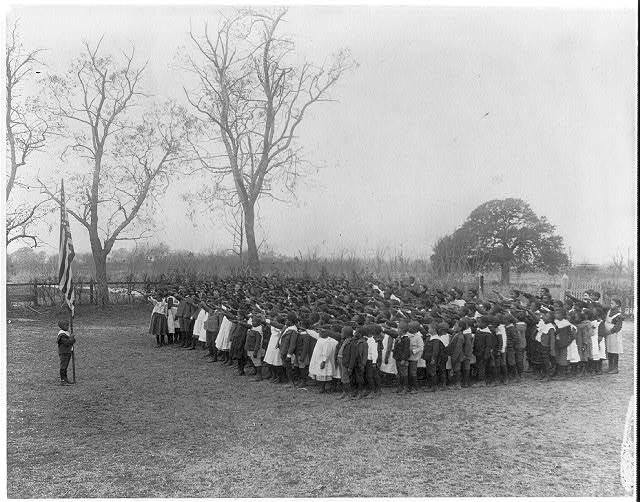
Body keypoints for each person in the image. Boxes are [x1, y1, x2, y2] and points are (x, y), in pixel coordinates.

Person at [604, 298, 624, 374]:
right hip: (608, 335)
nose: (610, 305)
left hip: (614, 335)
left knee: (615, 351)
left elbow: (618, 326)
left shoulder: (619, 315)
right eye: (610, 303)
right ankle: (610, 367)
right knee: (609, 350)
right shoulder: (609, 311)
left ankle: (615, 368)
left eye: (612, 303)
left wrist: (610, 331)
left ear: (617, 305)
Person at [57, 319, 75, 385]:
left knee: (66, 366)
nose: (67, 327)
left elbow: (73, 341)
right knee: (63, 366)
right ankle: (63, 380)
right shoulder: (62, 334)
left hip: (68, 352)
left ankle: (65, 378)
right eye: (66, 325)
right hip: (63, 352)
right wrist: (71, 338)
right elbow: (67, 342)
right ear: (61, 326)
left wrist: (72, 338)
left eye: (68, 325)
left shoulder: (67, 333)